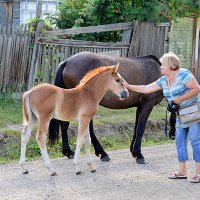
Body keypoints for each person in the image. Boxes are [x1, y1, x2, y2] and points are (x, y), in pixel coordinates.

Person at [122, 52, 200, 183]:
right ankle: (182, 171)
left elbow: (196, 88)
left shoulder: (184, 74)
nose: (161, 67)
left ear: (170, 65)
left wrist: (179, 99)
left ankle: (198, 172)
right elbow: (146, 88)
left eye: (162, 65)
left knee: (195, 142)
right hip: (180, 115)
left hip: (193, 113)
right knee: (179, 141)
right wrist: (129, 86)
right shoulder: (163, 80)